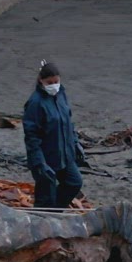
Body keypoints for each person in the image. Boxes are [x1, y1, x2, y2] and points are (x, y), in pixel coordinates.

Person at [23, 60, 86, 208]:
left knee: (74, 183)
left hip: (65, 154)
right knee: (45, 197)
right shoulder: (35, 103)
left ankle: (55, 212)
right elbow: (32, 136)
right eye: (49, 83)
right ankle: (43, 215)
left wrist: (75, 143)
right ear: (41, 81)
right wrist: (39, 163)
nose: (54, 86)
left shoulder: (61, 95)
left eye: (56, 82)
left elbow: (68, 123)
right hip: (46, 158)